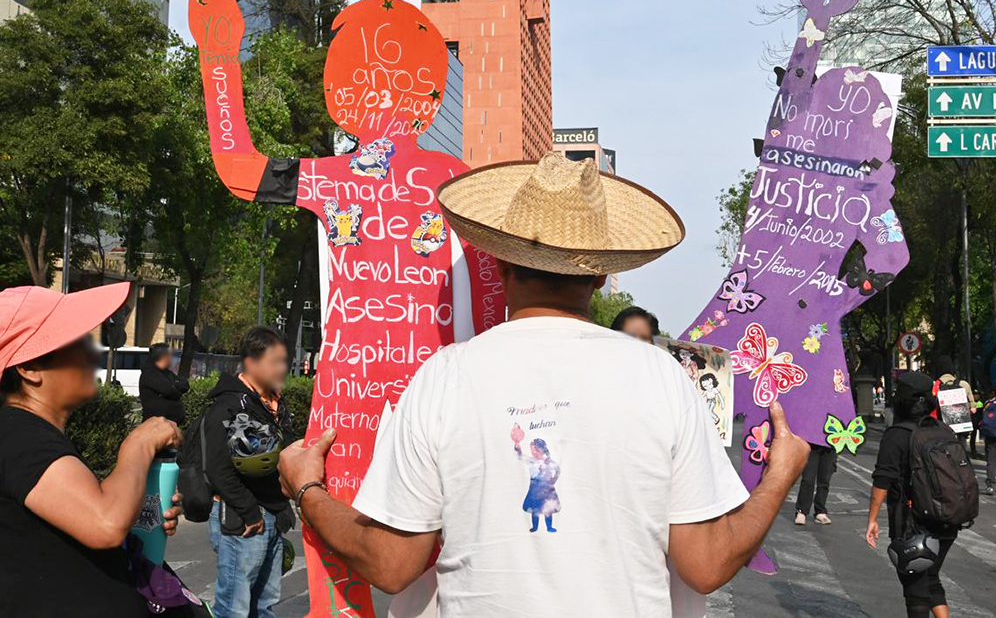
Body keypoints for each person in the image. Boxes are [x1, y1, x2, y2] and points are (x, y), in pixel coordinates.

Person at [277, 154, 811, 614]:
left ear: (502, 258)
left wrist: (308, 488)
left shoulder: (445, 377)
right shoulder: (661, 378)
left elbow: (392, 564)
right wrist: (779, 476)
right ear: (600, 272)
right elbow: (707, 562)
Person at [0, 283, 186, 617]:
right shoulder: (16, 433)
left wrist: (138, 511)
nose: (93, 352)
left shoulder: (32, 434)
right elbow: (104, 524)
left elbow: (83, 528)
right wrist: (139, 444)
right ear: (29, 369)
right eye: (77, 343)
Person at [203, 326, 294, 618]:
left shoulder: (275, 405)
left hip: (270, 515)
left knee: (264, 606)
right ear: (252, 362)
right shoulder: (229, 405)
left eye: (284, 361)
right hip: (243, 519)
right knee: (234, 609)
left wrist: (282, 508)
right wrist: (250, 511)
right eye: (275, 361)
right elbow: (218, 468)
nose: (282, 368)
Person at [866, 372, 957, 618]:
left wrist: (872, 519)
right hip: (948, 517)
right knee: (930, 575)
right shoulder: (943, 430)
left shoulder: (897, 435)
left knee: (914, 583)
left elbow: (882, 480)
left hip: (913, 521)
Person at [139, 342, 190, 425]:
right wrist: (176, 388)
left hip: (171, 425)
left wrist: (175, 385)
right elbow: (169, 390)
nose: (172, 358)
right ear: (163, 357)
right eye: (170, 355)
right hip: (155, 426)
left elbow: (185, 384)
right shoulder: (150, 374)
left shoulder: (167, 373)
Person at [794, 444, 837, 526]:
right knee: (808, 479)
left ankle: (820, 511)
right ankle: (802, 511)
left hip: (830, 444)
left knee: (824, 479)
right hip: (811, 443)